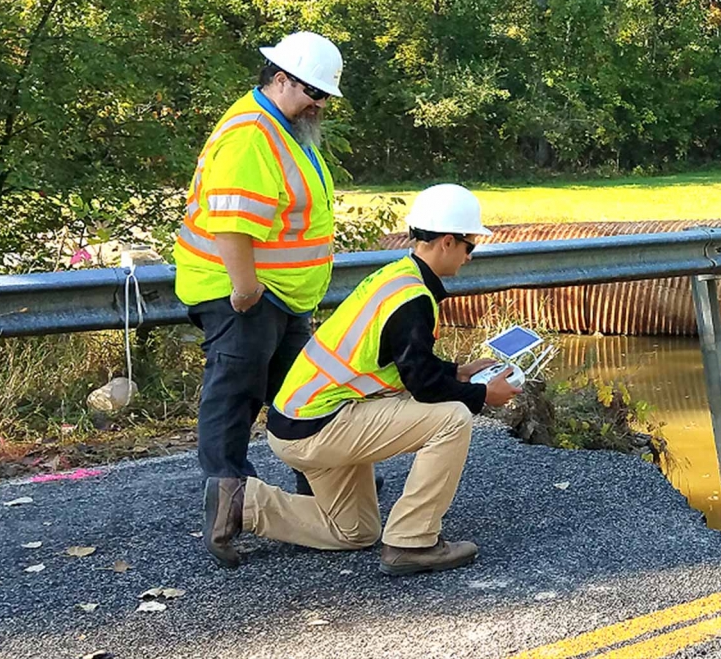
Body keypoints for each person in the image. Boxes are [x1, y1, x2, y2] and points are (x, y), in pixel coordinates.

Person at [201, 184, 523, 573]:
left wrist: (458, 371)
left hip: (303, 420)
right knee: (453, 417)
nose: (470, 256)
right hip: (320, 427)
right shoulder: (413, 299)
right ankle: (413, 542)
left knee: (353, 531)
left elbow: (401, 363)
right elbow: (423, 386)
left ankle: (240, 502)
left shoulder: (397, 277)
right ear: (448, 242)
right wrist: (483, 393)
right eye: (470, 246)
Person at [174, 31, 342, 504]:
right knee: (235, 400)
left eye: (325, 95)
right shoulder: (253, 133)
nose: (319, 105)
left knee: (305, 393)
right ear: (281, 79)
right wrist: (245, 291)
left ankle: (329, 489)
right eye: (313, 92)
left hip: (280, 294)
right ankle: (230, 505)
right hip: (244, 293)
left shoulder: (283, 126)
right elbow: (232, 225)